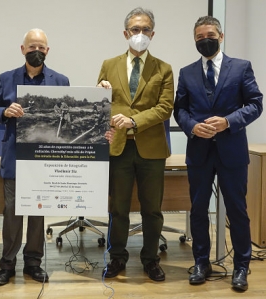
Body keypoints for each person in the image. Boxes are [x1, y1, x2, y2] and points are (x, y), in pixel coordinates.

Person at [174, 16, 263, 291]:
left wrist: (228, 122)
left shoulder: (241, 68)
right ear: (195, 40)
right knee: (198, 210)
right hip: (199, 151)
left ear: (221, 36)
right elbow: (180, 110)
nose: (205, 40)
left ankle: (241, 267)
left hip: (232, 150)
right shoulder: (187, 72)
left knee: (237, 210)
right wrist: (191, 127)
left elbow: (255, 104)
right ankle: (201, 263)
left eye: (210, 35)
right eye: (199, 37)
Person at [0, 28, 69, 286]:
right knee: (11, 213)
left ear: (48, 50)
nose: (37, 51)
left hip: (45, 159)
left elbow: (66, 119)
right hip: (15, 156)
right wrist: (5, 111)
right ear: (22, 49)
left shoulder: (60, 81)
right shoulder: (7, 78)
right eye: (31, 47)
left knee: (38, 211)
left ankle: (33, 262)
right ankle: (7, 264)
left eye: (41, 47)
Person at [98, 7, 174, 282]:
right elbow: (101, 104)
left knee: (151, 209)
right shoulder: (109, 64)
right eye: (134, 30)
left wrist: (133, 120)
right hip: (118, 148)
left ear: (152, 33)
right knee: (118, 208)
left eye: (144, 30)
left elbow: (165, 108)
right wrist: (100, 89)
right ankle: (117, 257)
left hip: (151, 149)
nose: (139, 35)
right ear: (125, 33)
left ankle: (151, 260)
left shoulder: (163, 69)